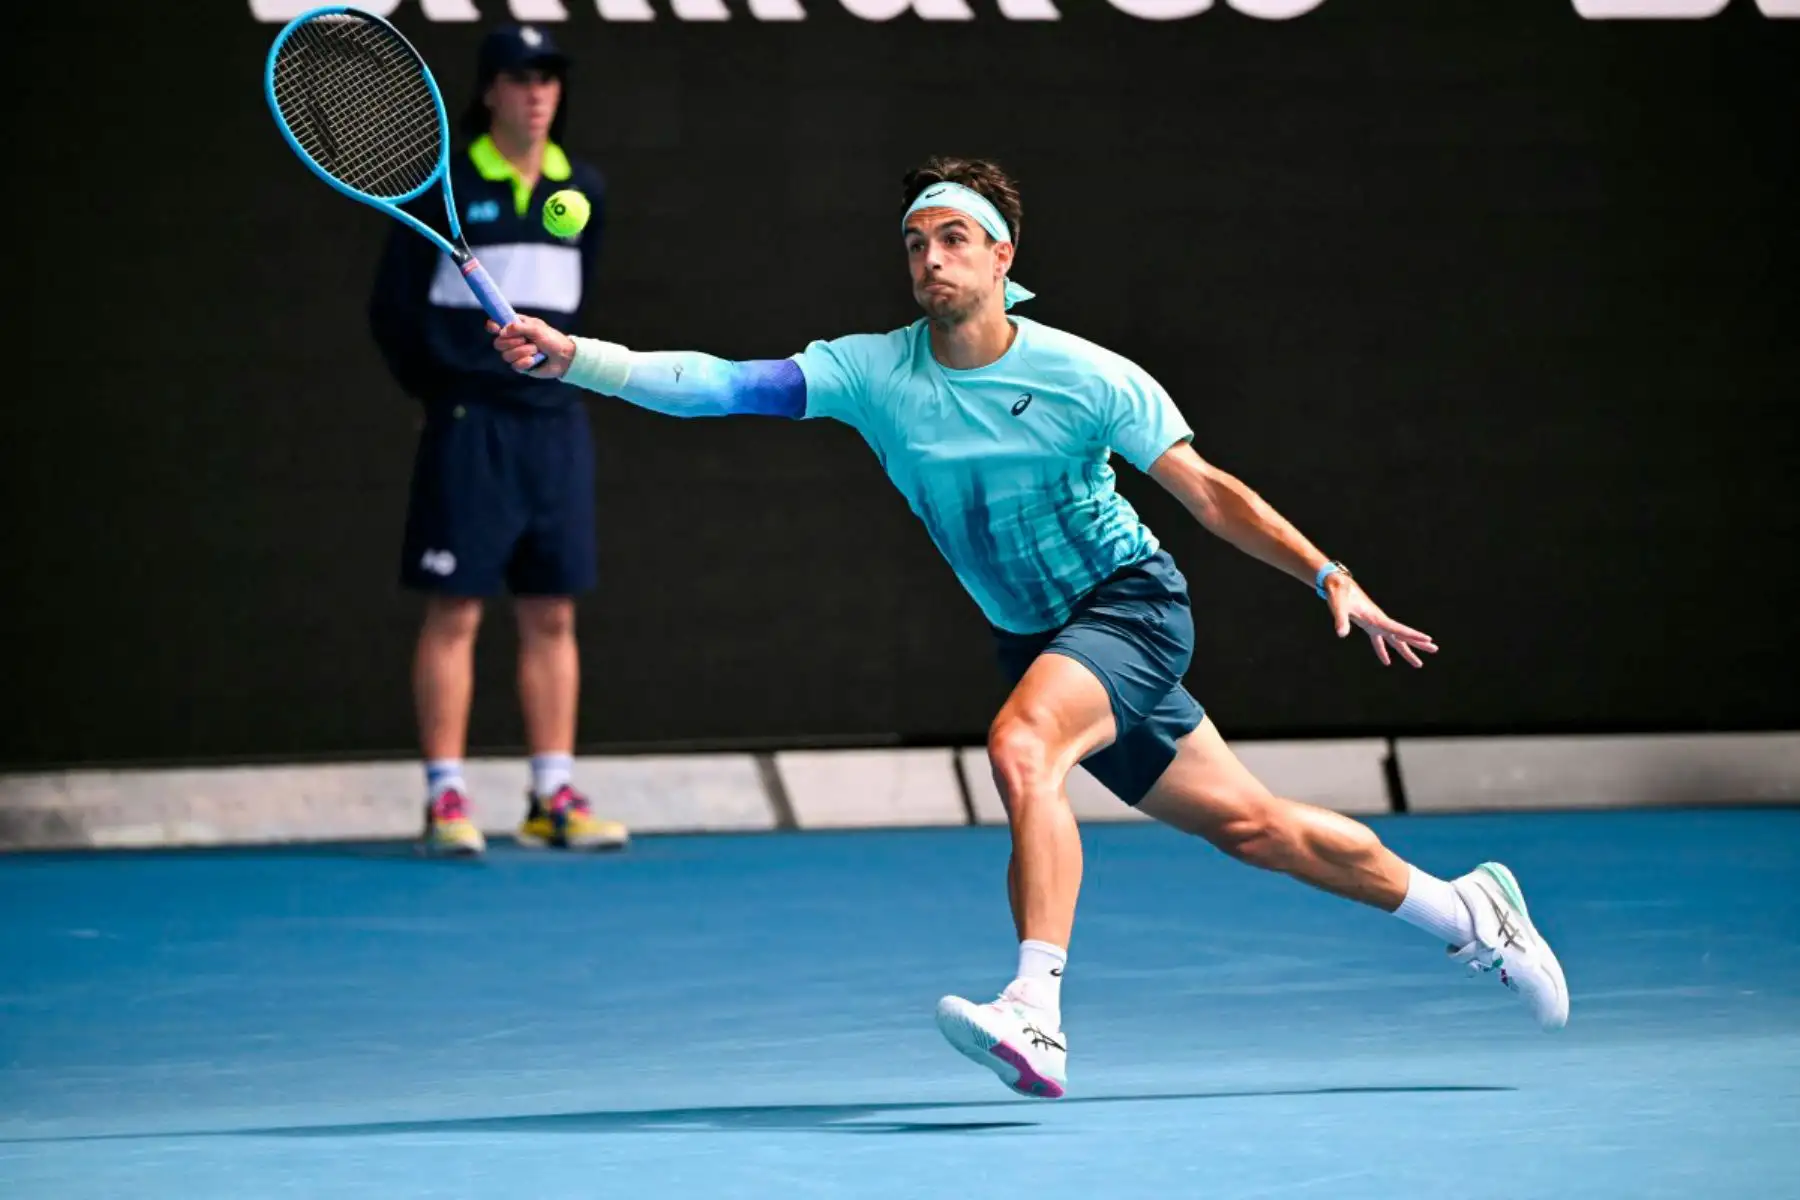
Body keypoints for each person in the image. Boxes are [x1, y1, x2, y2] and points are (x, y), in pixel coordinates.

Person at [485, 156, 1569, 1096]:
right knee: (1255, 829)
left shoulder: (1087, 375)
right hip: (1043, 638)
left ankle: (1035, 1008)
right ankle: (1467, 912)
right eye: (915, 241)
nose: (930, 258)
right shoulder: (872, 373)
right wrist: (577, 356)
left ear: (1003, 256)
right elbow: (721, 385)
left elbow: (1208, 492)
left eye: (954, 236)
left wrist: (1327, 571)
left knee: (1020, 745)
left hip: (1131, 609)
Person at [368, 23, 626, 857]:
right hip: (471, 428)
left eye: (549, 78)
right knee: (458, 609)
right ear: (490, 91)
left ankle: (553, 793)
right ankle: (446, 799)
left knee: (553, 611)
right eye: (520, 78)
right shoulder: (441, 187)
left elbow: (581, 312)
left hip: (555, 423)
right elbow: (393, 313)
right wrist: (448, 390)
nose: (538, 92)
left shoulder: (581, 188)